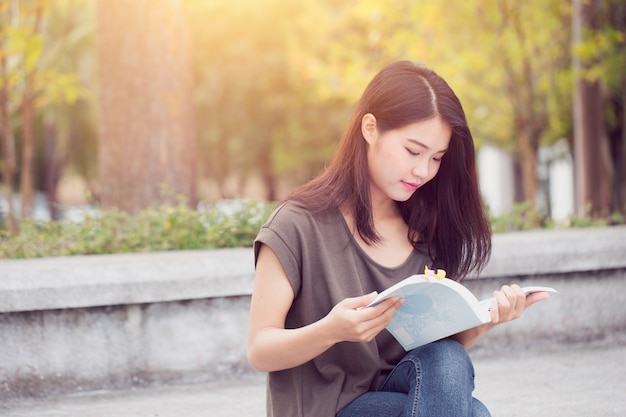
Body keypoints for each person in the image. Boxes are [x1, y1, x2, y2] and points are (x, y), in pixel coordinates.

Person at [247, 60, 550, 417]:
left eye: (437, 158)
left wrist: (485, 320)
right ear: (370, 128)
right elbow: (259, 349)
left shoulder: (424, 231)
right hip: (325, 409)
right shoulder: (297, 224)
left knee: (447, 356)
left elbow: (433, 356)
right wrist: (331, 330)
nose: (423, 171)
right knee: (474, 413)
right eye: (412, 151)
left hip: (403, 398)